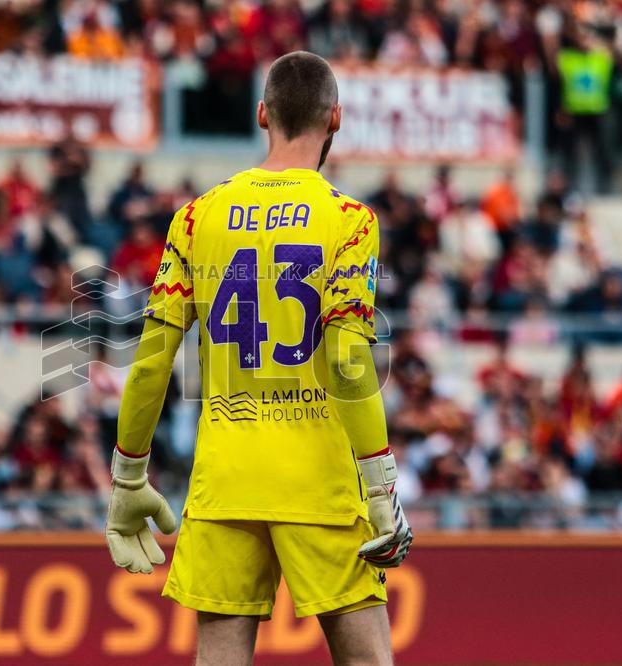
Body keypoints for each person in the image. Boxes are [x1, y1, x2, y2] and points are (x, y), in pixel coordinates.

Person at [105, 52, 412, 665]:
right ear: (337, 120)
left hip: (226, 477)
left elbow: (149, 362)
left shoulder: (196, 217)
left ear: (261, 113)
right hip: (317, 480)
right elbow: (350, 359)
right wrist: (379, 484)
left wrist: (128, 477)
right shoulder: (349, 221)